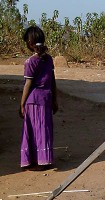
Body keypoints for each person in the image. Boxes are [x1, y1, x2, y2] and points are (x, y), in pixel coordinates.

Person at [19, 26, 58, 171]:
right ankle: (44, 160)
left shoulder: (30, 62)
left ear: (30, 43)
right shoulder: (48, 59)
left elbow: (28, 84)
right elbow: (52, 81)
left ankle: (33, 161)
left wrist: (22, 104)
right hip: (46, 99)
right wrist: (54, 99)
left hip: (33, 101)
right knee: (44, 130)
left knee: (32, 131)